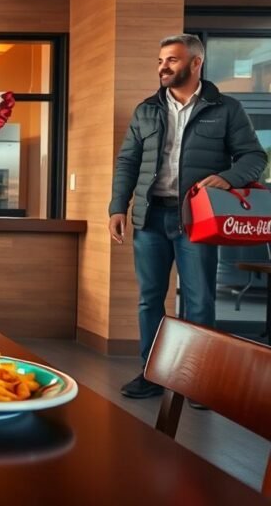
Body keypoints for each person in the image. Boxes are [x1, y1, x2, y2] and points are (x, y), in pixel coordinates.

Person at [109, 34, 266, 400]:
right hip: (150, 218)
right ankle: (152, 372)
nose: (163, 66)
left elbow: (254, 157)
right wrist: (118, 206)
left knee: (199, 300)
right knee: (150, 298)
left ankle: (199, 379)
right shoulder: (146, 109)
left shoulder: (226, 109)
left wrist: (227, 179)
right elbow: (127, 162)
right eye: (161, 59)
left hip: (197, 221)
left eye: (173, 60)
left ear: (196, 63)